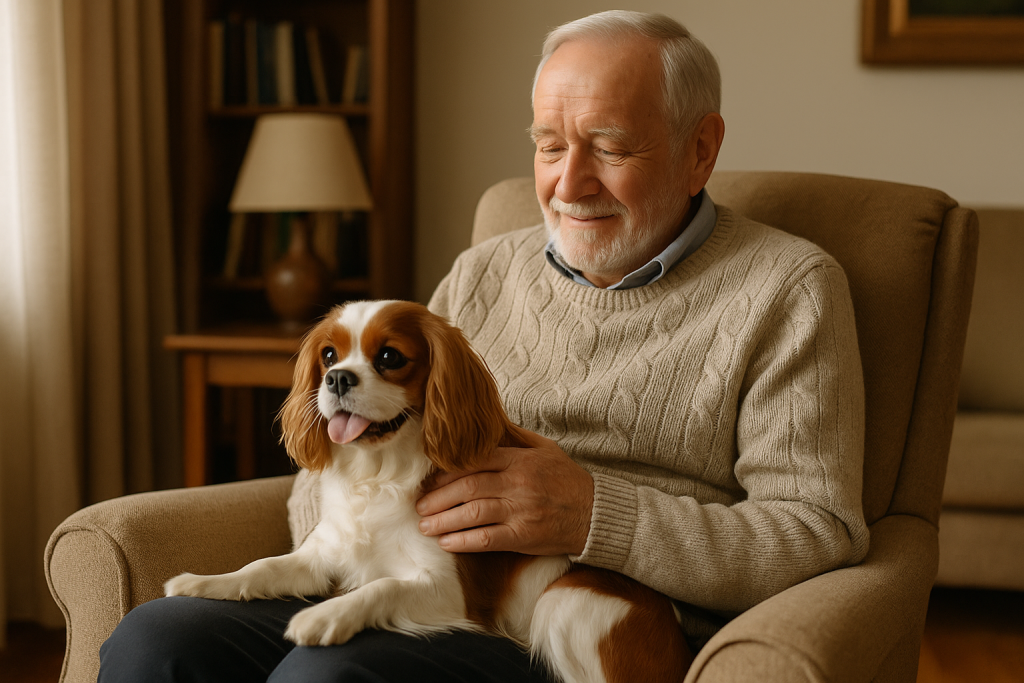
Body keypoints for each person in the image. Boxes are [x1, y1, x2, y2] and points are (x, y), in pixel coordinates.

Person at [99, 10, 869, 683]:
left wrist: (596, 512)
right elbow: (353, 443)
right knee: (157, 638)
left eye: (608, 145)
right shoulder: (483, 272)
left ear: (700, 150)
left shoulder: (788, 288)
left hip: (574, 627)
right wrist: (357, 544)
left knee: (330, 673)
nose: (571, 182)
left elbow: (815, 534)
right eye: (549, 145)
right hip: (414, 581)